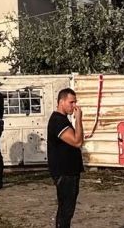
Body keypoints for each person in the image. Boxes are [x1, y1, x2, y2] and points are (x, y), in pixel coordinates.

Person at [47, 88, 84, 228]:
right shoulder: (57, 121)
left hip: (69, 171)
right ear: (61, 102)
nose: (74, 106)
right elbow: (77, 141)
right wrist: (79, 119)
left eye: (75, 102)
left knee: (66, 210)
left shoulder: (63, 120)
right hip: (65, 172)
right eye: (71, 102)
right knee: (66, 210)